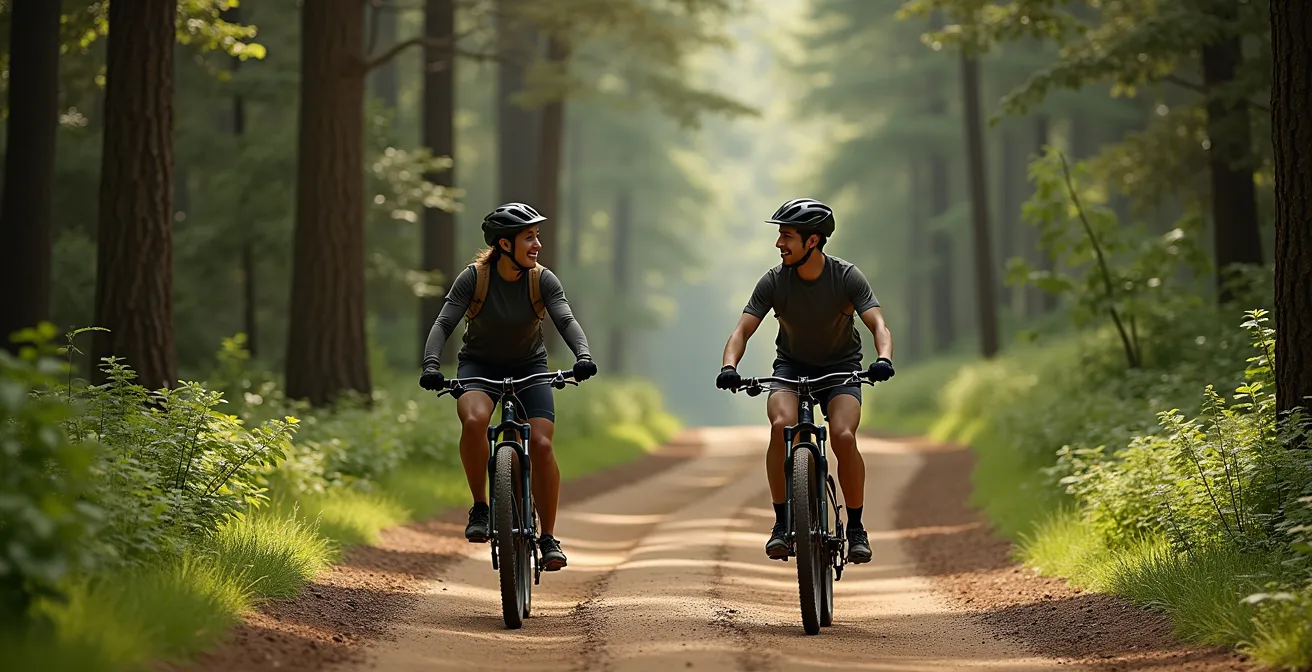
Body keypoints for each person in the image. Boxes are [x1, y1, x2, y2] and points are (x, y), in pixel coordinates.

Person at [419, 202, 597, 571]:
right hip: (478, 366)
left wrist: (583, 356)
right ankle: (481, 507)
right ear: (504, 245)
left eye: (537, 237)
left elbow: (565, 318)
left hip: (530, 367)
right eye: (529, 238)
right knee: (474, 421)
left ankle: (548, 536)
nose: (537, 245)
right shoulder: (474, 278)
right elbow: (444, 323)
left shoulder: (542, 279)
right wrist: (432, 364)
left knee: (544, 443)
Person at [715, 197, 894, 565]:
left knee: (843, 436)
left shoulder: (846, 277)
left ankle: (857, 528)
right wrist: (729, 366)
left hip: (841, 370)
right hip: (791, 368)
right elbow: (742, 331)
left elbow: (878, 324)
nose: (779, 244)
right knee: (781, 424)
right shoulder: (774, 281)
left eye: (787, 236)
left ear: (812, 241)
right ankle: (782, 524)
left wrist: (883, 359)